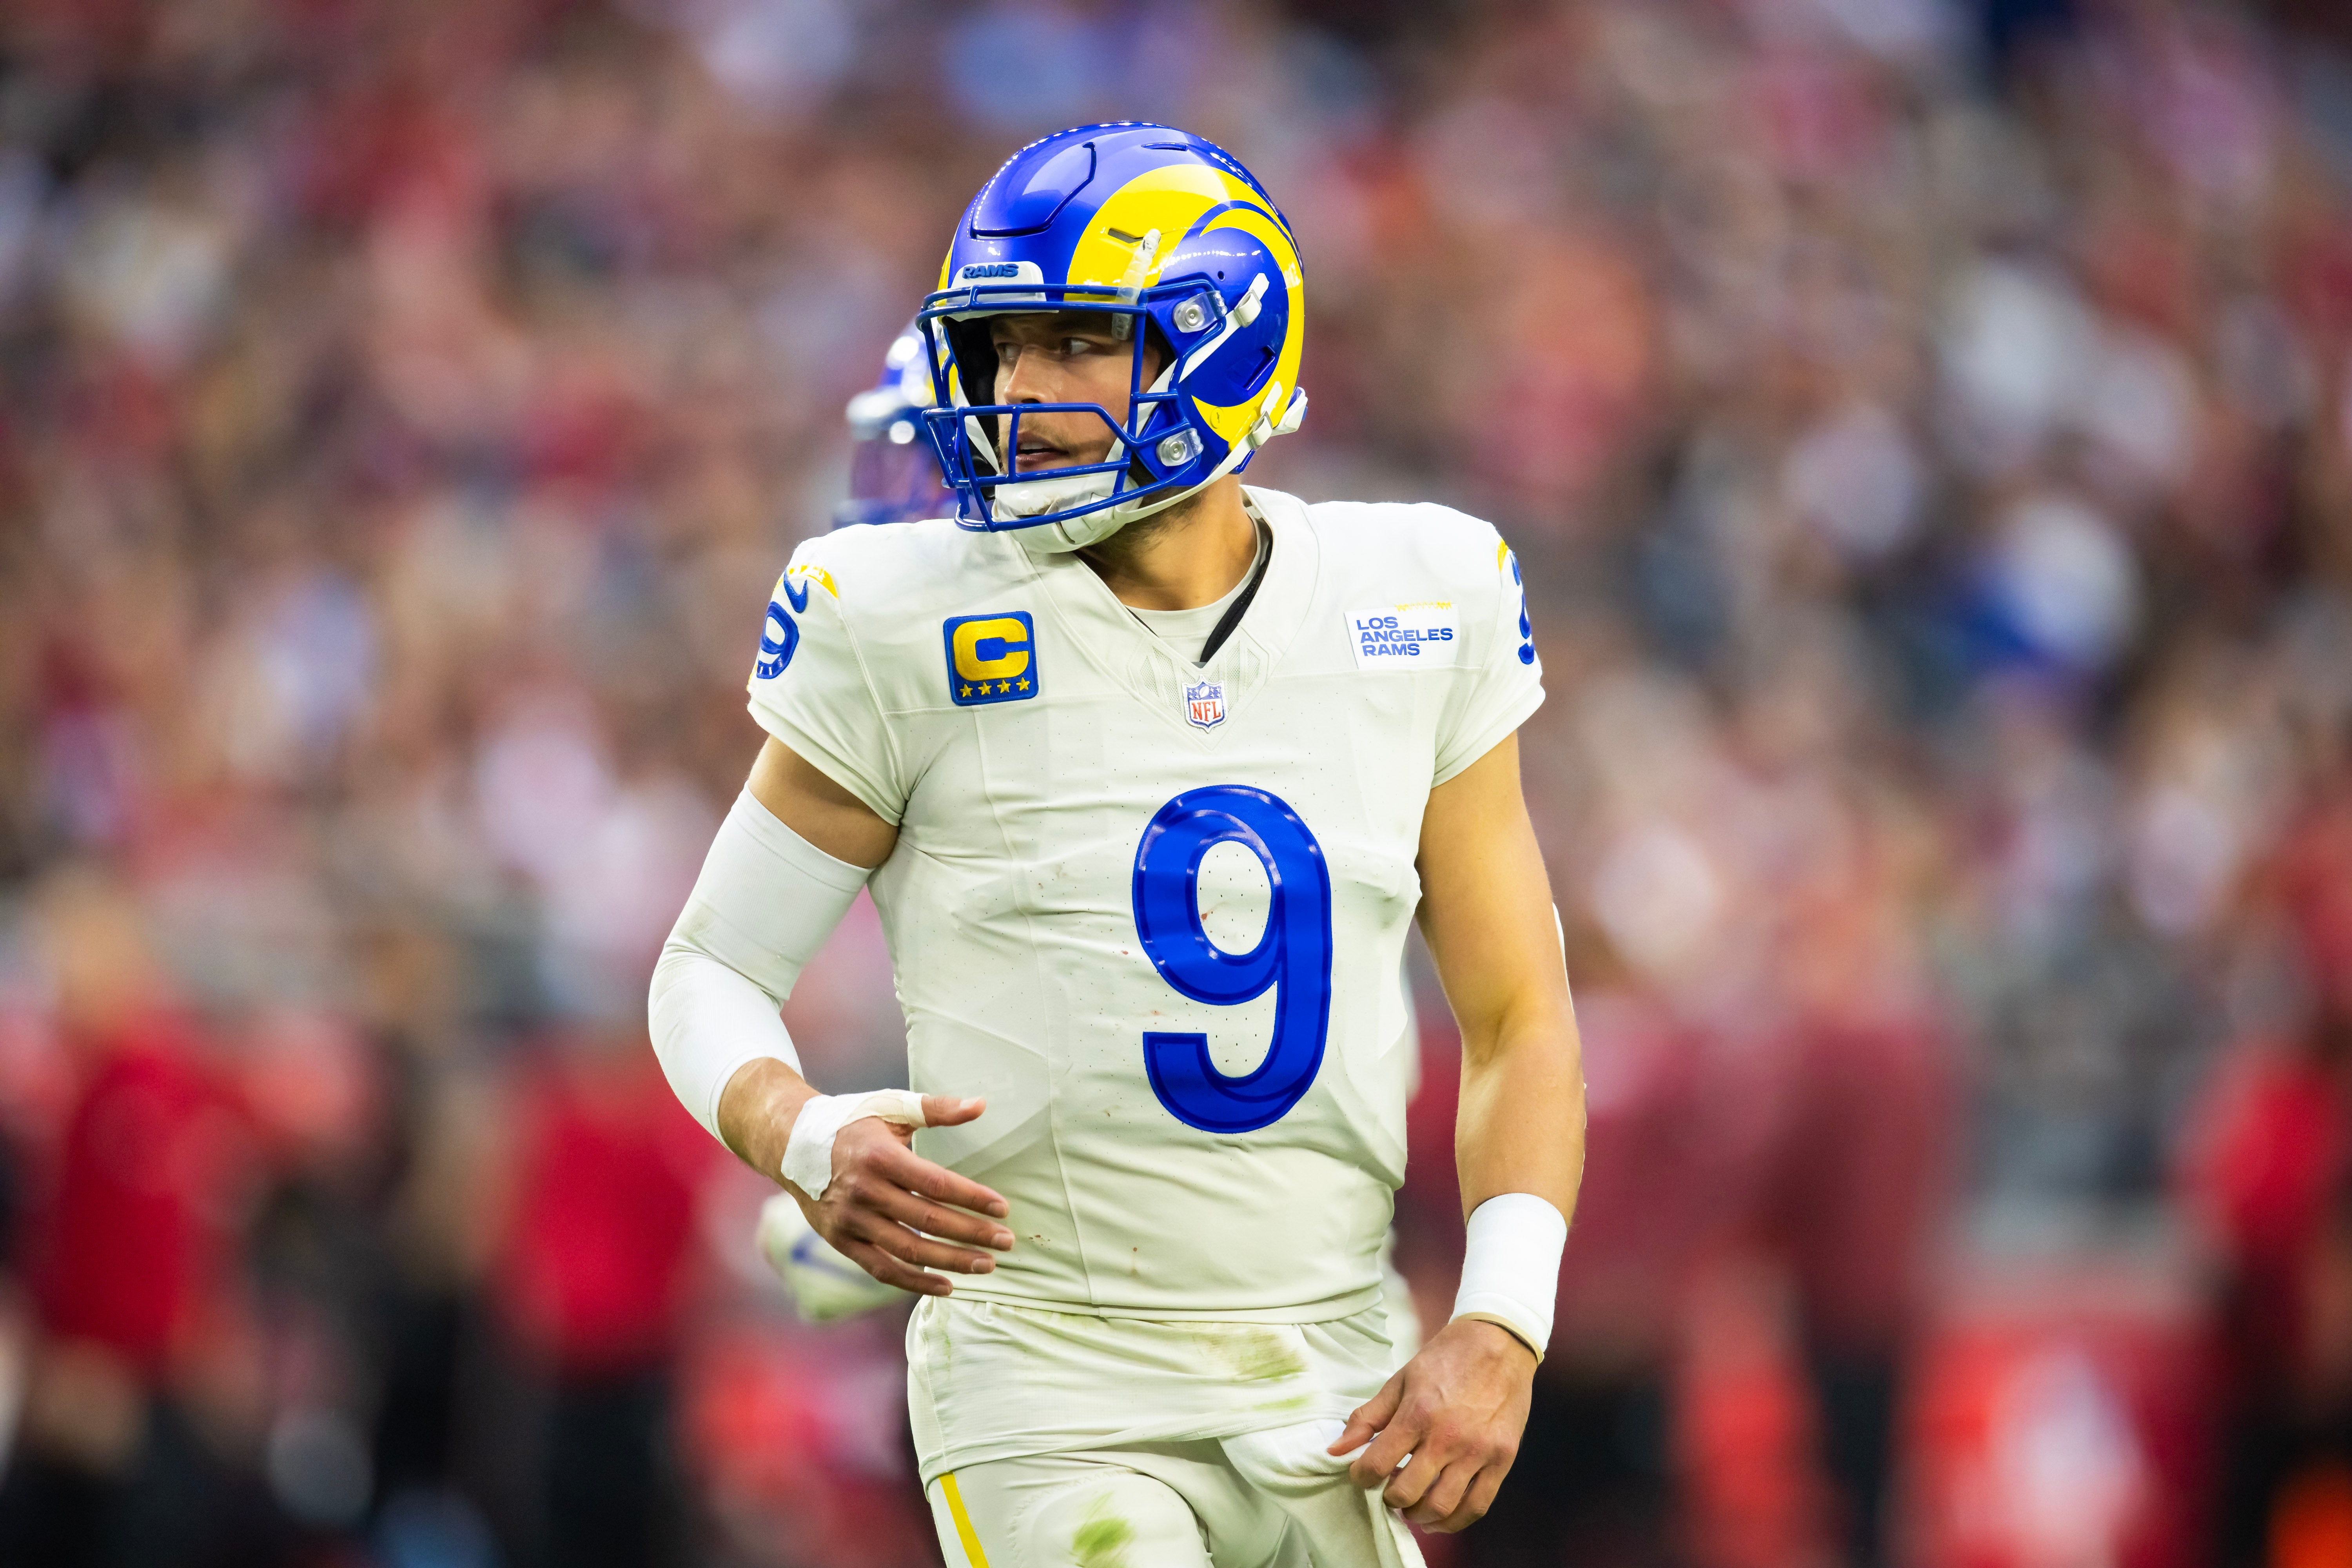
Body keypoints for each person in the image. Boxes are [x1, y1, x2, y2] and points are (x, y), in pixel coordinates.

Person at [651, 122, 1586, 1566]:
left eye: (1077, 342)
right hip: (1049, 1367)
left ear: (1224, 347)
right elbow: (708, 964)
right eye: (1006, 349)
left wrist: (1504, 1322)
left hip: (1325, 1360)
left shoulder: (1422, 597)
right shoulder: (905, 617)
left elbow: (1521, 1015)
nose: (1022, 393)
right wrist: (802, 1131)